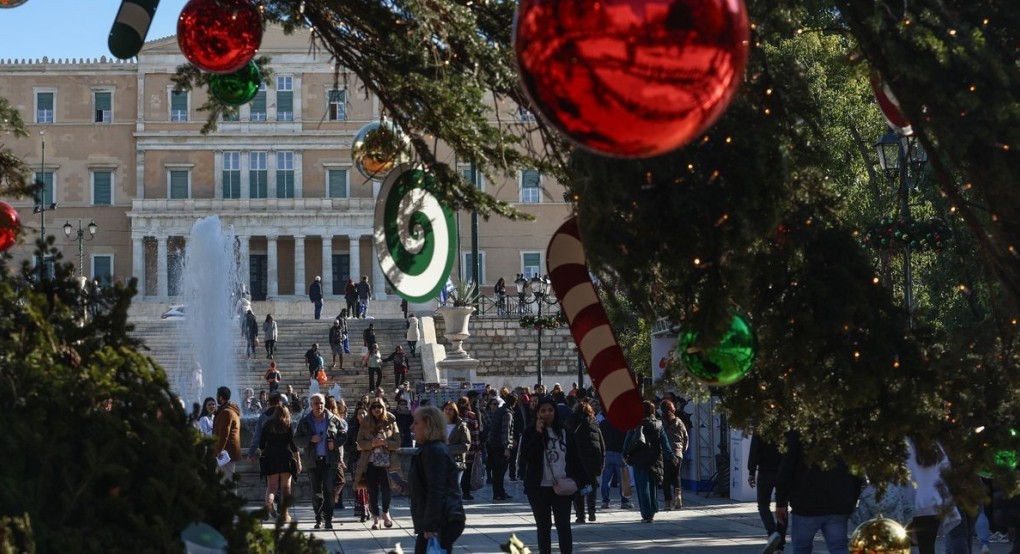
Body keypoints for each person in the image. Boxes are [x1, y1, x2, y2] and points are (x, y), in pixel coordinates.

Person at [776, 430, 863, 554]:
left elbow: (787, 466)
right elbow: (856, 468)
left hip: (806, 503)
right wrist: (852, 498)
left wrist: (781, 501)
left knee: (801, 548)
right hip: (838, 502)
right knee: (839, 548)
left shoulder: (800, 430)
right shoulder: (845, 428)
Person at [520, 396, 582, 554]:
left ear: (555, 411)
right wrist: (538, 433)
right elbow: (527, 456)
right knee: (543, 526)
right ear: (538, 413)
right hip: (539, 488)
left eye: (550, 410)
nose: (547, 413)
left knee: (563, 525)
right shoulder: (530, 431)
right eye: (543, 411)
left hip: (562, 486)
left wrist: (579, 480)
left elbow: (575, 458)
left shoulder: (565, 431)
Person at [410, 405, 467, 553]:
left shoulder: (434, 451)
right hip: (440, 519)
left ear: (428, 424)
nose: (412, 427)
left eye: (416, 423)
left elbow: (436, 490)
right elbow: (427, 485)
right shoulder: (431, 449)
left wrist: (431, 525)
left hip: (443, 520)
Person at [295, 393, 348, 529]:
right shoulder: (305, 421)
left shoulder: (333, 419)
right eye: (316, 403)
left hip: (329, 461)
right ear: (311, 405)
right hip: (313, 461)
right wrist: (310, 439)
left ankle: (328, 519)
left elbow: (344, 436)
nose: (319, 406)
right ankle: (318, 518)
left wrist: (335, 443)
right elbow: (296, 439)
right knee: (316, 492)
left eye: (321, 403)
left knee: (329, 491)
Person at [622, 401, 677, 523]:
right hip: (655, 459)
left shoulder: (636, 423)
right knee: (653, 486)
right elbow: (665, 442)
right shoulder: (658, 424)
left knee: (643, 487)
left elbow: (629, 440)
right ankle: (653, 510)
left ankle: (646, 514)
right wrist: (671, 456)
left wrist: (625, 454)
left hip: (639, 458)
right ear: (653, 411)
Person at [906, 437, 960, 554]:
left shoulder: (909, 447)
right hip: (936, 501)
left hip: (918, 502)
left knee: (922, 544)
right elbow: (946, 468)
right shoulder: (935, 446)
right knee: (929, 544)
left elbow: (908, 473)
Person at [355, 399, 401, 529]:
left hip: (387, 462)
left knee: (387, 490)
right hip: (370, 462)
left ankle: (386, 513)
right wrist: (372, 444)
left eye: (379, 406)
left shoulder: (391, 420)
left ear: (384, 407)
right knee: (372, 491)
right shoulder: (365, 422)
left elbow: (397, 442)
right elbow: (359, 442)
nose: (377, 409)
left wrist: (385, 443)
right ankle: (375, 517)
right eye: (374, 407)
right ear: (370, 409)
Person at [258, 404, 300, 522]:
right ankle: (285, 515)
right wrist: (298, 461)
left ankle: (269, 503)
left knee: (272, 487)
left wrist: (263, 455)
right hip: (285, 458)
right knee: (286, 488)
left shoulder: (267, 425)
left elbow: (261, 445)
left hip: (271, 458)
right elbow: (293, 445)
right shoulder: (288, 425)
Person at [748, 429, 786, 553]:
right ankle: (780, 545)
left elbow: (754, 448)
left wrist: (751, 471)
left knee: (763, 504)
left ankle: (772, 532)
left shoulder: (761, 424)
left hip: (765, 470)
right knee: (783, 505)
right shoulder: (787, 423)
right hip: (782, 470)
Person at [567, 400, 604, 523]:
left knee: (578, 488)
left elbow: (567, 443)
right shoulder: (594, 423)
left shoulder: (571, 423)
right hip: (592, 462)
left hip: (577, 461)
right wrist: (601, 462)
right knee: (592, 487)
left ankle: (580, 515)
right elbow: (601, 444)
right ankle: (592, 512)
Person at [598, 410, 633, 510]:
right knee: (623, 479)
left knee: (605, 480)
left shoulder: (603, 424)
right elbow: (627, 439)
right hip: (620, 453)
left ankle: (605, 501)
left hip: (607, 452)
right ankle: (625, 501)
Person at [660, 399, 688, 511]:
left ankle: (667, 503)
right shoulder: (679, 422)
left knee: (666, 478)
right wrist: (682, 450)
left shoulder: (660, 422)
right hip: (677, 453)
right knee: (676, 476)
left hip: (665, 453)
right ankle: (678, 497)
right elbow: (685, 437)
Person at [487, 393, 516, 501]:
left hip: (494, 444)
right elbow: (506, 431)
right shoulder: (507, 413)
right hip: (500, 446)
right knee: (500, 471)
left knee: (496, 471)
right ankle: (499, 492)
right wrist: (506, 447)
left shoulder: (499, 411)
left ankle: (499, 491)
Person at [212, 386, 242, 483]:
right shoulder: (230, 410)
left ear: (221, 397)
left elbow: (224, 434)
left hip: (225, 453)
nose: (216, 398)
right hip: (228, 452)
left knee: (227, 481)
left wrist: (219, 451)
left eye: (217, 396)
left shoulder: (226, 412)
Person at [325, 397, 349, 510]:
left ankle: (334, 501)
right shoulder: (336, 420)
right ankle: (333, 500)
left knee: (335, 481)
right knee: (340, 480)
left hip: (332, 456)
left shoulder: (337, 420)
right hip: (334, 456)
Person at [457, 396, 481, 500]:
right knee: (466, 470)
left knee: (460, 469)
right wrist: (476, 445)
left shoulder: (456, 415)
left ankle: (461, 491)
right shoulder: (471, 415)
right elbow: (475, 433)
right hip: (468, 447)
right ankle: (465, 491)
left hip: (458, 447)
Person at [443, 402, 472, 489]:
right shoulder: (438, 426)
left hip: (456, 462)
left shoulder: (461, 426)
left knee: (454, 488)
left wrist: (448, 449)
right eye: (446, 409)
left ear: (455, 411)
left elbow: (465, 445)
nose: (448, 411)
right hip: (441, 461)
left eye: (451, 409)